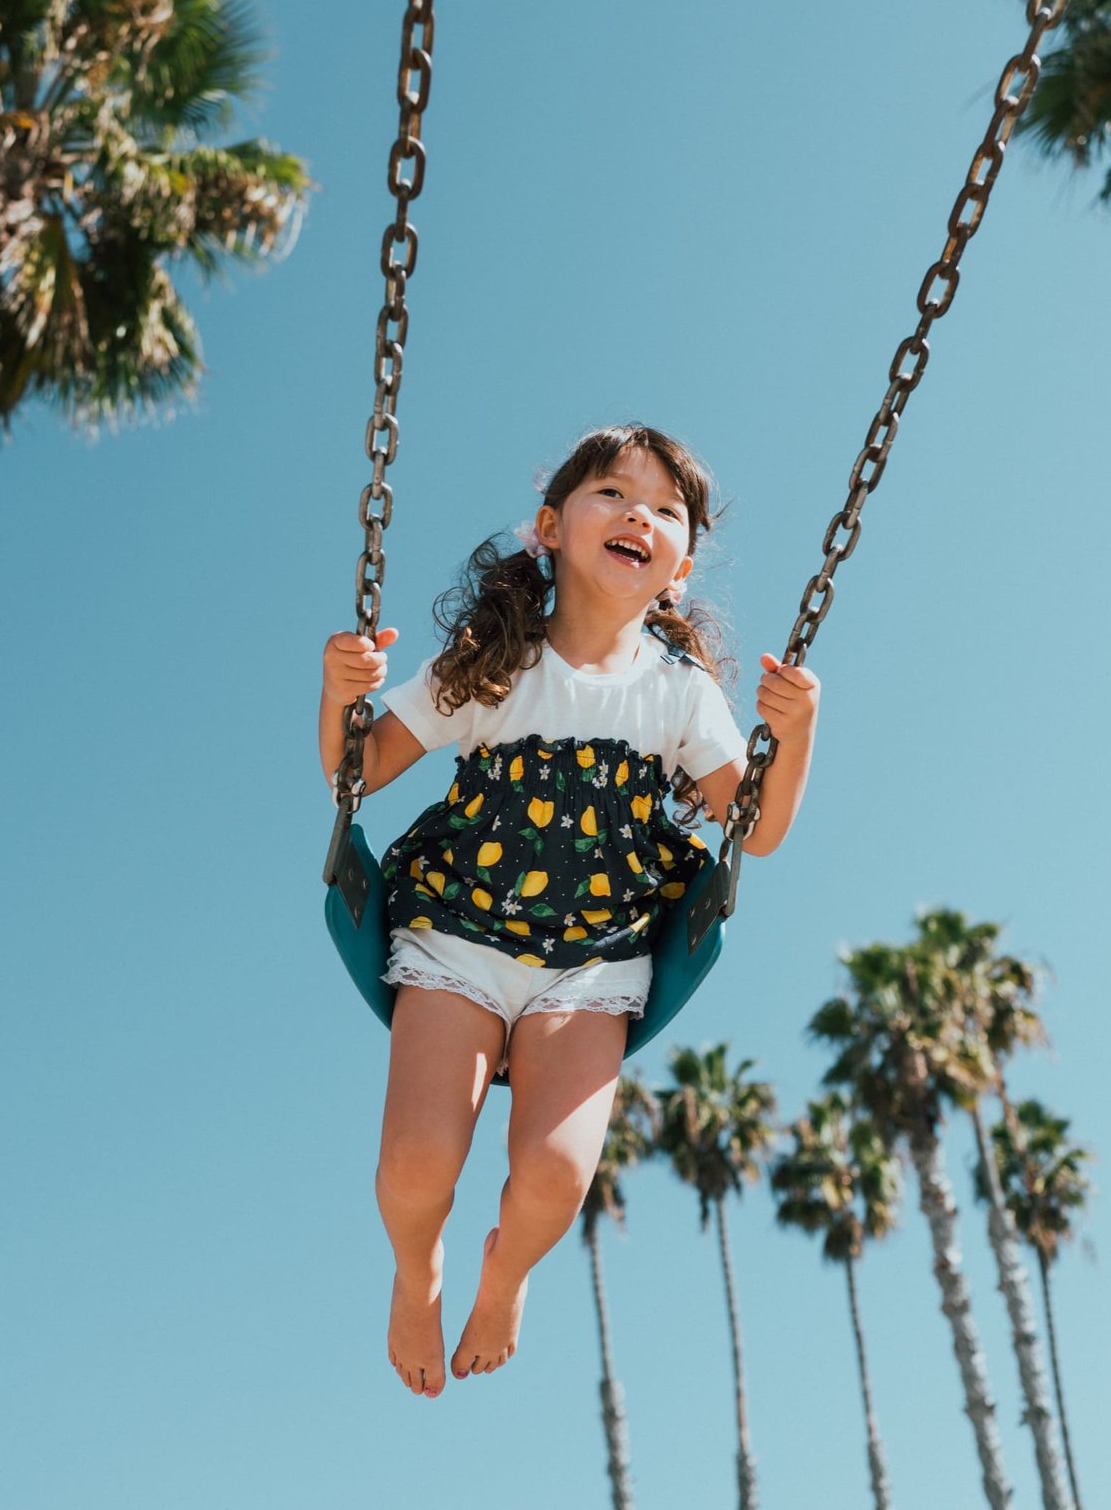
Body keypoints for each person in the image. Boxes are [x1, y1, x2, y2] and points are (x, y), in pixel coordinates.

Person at [318, 424, 819, 1399]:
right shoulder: (489, 662)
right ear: (550, 527)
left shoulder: (679, 693)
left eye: (666, 509)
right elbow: (358, 770)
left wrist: (793, 737)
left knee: (554, 1174)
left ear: (679, 567)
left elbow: (753, 830)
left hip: (593, 961)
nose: (640, 515)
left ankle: (506, 1274)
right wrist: (341, 695)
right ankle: (417, 1271)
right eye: (613, 493)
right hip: (455, 937)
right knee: (417, 1162)